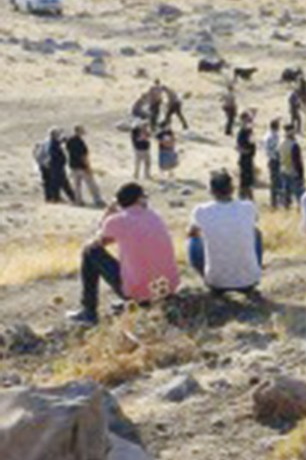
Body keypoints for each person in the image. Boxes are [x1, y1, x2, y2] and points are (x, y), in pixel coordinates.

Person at [71, 183, 179, 326]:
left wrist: (108, 213)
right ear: (140, 199)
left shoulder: (117, 221)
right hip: (167, 288)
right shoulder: (154, 216)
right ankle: (133, 300)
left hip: (140, 294)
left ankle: (89, 311)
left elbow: (96, 242)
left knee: (89, 252)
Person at [186, 169, 262, 295]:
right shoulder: (248, 207)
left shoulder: (201, 211)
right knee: (256, 233)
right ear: (232, 189)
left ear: (211, 191)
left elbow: (190, 233)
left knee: (193, 239)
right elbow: (254, 222)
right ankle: (252, 273)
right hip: (248, 280)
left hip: (216, 282)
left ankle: (207, 276)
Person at [36, 129, 75, 204]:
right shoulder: (53, 143)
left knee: (50, 183)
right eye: (57, 134)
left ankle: (51, 198)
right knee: (61, 182)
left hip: (46, 166)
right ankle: (63, 198)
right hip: (55, 166)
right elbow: (54, 154)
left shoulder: (46, 142)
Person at [66, 126, 102, 206]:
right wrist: (88, 167)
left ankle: (78, 201)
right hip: (82, 167)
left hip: (73, 166)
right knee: (92, 185)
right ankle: (98, 200)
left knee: (76, 186)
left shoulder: (69, 141)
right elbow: (83, 156)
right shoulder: (80, 142)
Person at [235, 113, 258, 202]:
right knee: (244, 183)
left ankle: (249, 200)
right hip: (244, 159)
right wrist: (242, 150)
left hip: (248, 159)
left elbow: (252, 144)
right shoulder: (241, 132)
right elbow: (239, 147)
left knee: (248, 183)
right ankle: (242, 199)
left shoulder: (249, 132)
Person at [264, 119, 284, 209]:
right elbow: (275, 149)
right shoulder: (273, 136)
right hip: (275, 161)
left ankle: (275, 202)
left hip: (272, 160)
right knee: (276, 182)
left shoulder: (268, 135)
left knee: (276, 182)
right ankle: (275, 202)